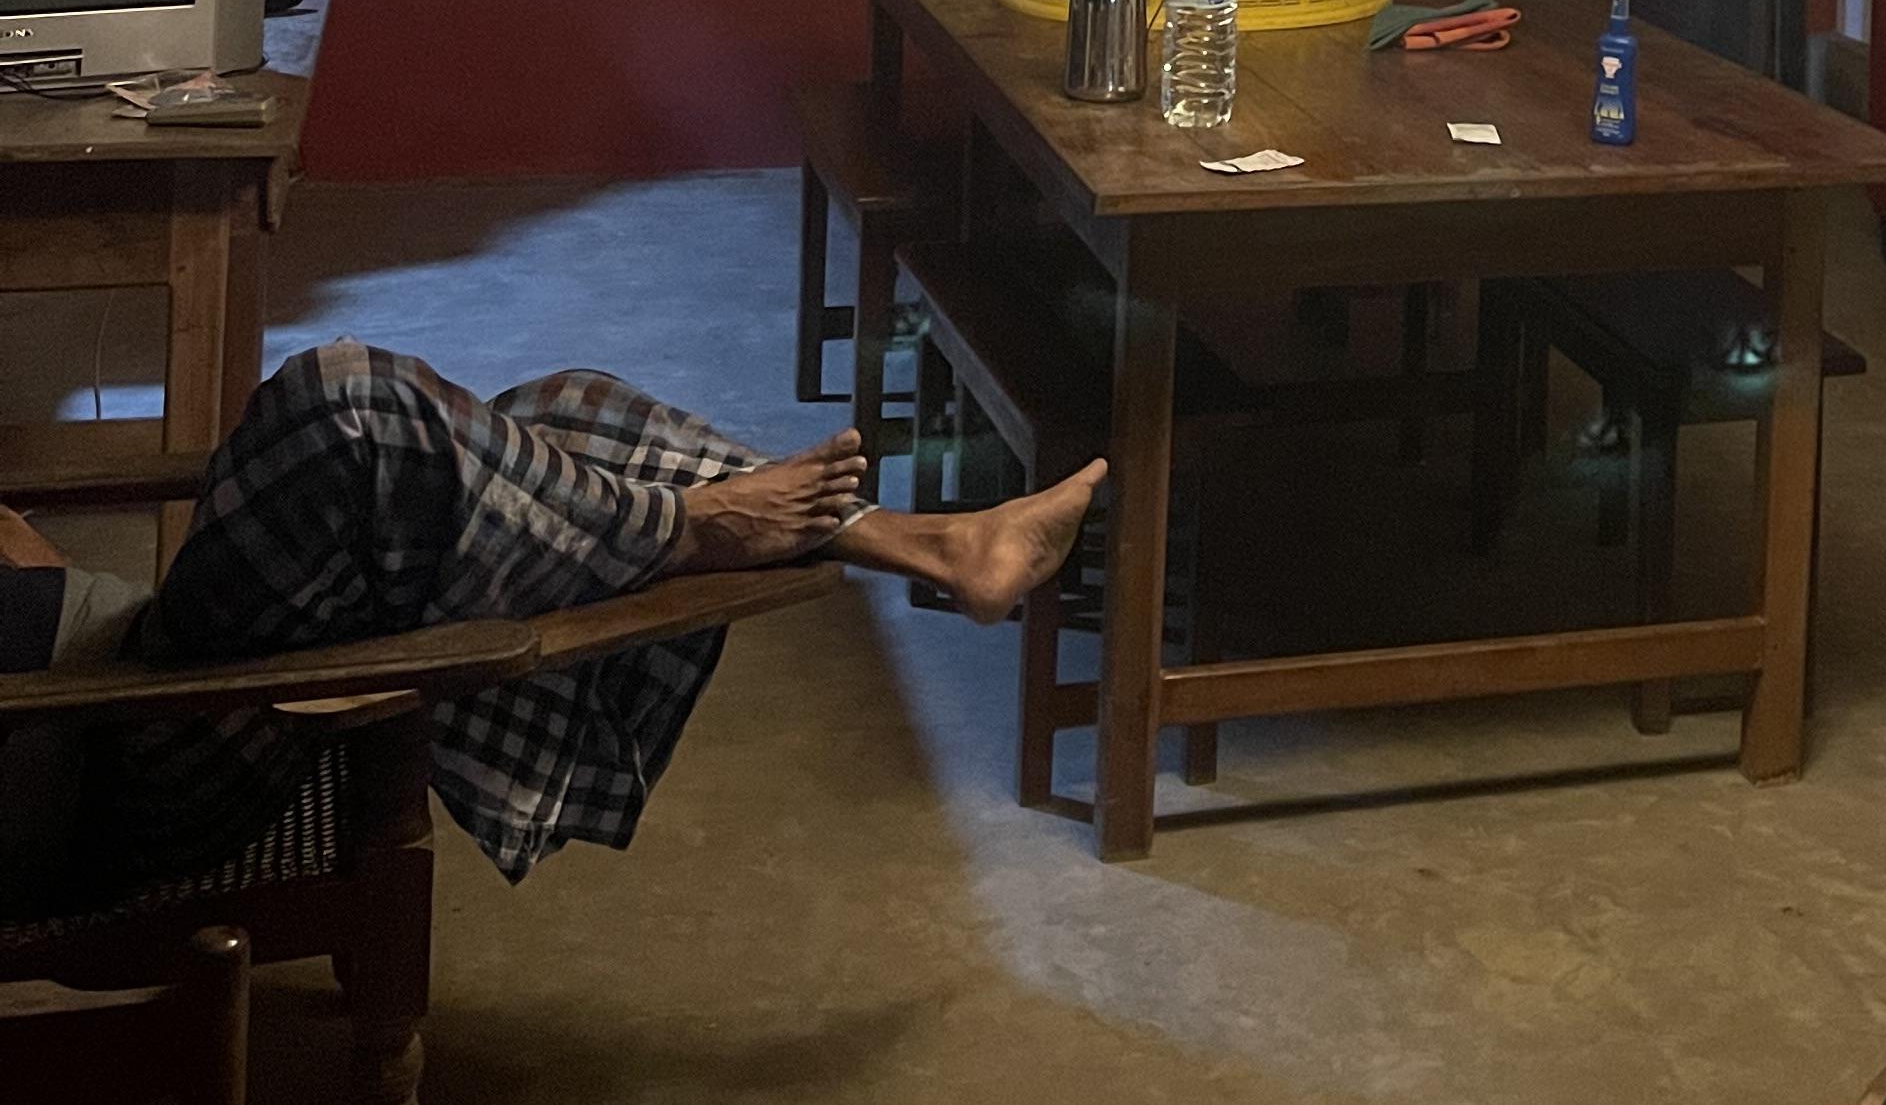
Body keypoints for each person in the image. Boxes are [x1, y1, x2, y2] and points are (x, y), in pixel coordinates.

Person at [0, 340, 1104, 918]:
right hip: (102, 749)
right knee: (349, 408)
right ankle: (691, 529)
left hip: (113, 654)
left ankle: (937, 545)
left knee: (566, 412)